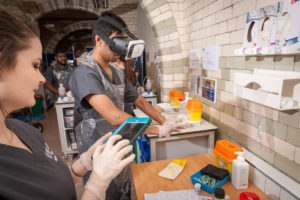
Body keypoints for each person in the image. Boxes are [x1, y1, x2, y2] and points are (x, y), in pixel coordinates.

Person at [0, 6, 134, 200]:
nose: (41, 79)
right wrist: (96, 185)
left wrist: (83, 164)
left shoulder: (22, 130)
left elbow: (54, 185)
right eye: (35, 66)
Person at [68, 11, 187, 199]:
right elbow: (114, 116)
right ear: (99, 40)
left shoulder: (116, 71)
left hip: (121, 142)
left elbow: (138, 100)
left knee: (124, 189)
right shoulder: (85, 72)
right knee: (103, 193)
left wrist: (165, 121)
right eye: (117, 41)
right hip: (97, 150)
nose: (121, 49)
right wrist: (158, 130)